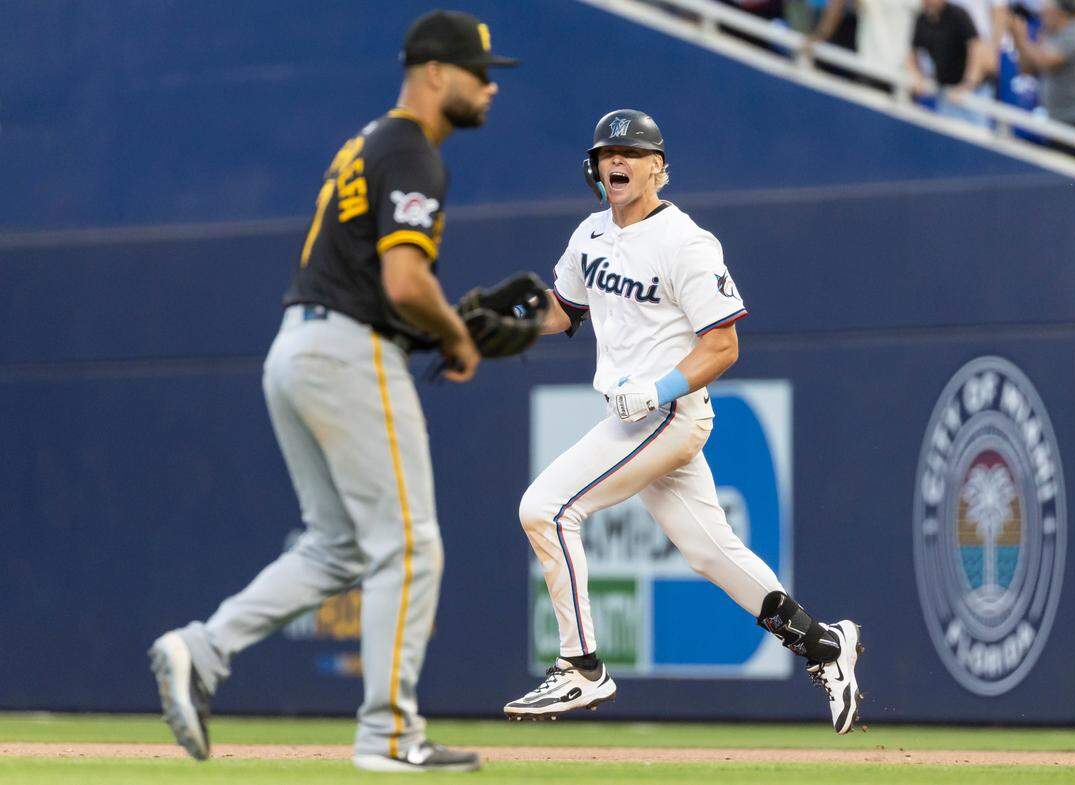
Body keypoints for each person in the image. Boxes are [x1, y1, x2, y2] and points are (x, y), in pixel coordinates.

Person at [147, 9, 516, 774]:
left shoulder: (367, 144)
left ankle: (203, 648)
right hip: (348, 352)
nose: (490, 88)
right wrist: (452, 333)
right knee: (409, 546)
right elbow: (405, 281)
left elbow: (377, 279)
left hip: (298, 346)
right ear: (436, 73)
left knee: (338, 544)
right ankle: (388, 736)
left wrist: (431, 321)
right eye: (480, 74)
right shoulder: (413, 151)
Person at [502, 109, 865, 734]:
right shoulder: (590, 234)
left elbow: (723, 346)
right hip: (635, 415)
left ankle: (581, 666)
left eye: (633, 153)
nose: (617, 161)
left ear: (659, 170)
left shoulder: (685, 242)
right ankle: (825, 645)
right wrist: (507, 319)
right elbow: (563, 311)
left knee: (547, 509)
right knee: (711, 553)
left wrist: (657, 388)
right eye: (607, 153)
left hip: (666, 413)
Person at [1010, 0, 1075, 157]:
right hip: (1057, 116)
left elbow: (1046, 62)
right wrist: (1019, 42)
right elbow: (1026, 68)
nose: (1042, 13)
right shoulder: (1050, 34)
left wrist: (1022, 39)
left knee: (1074, 174)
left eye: (1046, 8)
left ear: (1060, 12)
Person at [908, 0, 992, 125]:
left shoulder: (958, 15)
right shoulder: (922, 19)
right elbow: (912, 53)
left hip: (974, 92)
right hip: (946, 91)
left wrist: (967, 85)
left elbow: (976, 49)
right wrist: (917, 76)